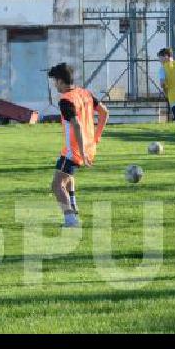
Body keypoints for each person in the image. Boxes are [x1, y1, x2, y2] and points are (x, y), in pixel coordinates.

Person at [48, 62, 109, 228]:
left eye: (55, 81)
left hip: (74, 150)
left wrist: (81, 152)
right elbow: (104, 112)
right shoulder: (85, 93)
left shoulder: (66, 100)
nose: (55, 85)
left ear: (61, 81)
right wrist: (96, 137)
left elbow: (77, 125)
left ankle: (70, 219)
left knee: (56, 185)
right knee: (67, 176)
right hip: (86, 147)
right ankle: (73, 206)